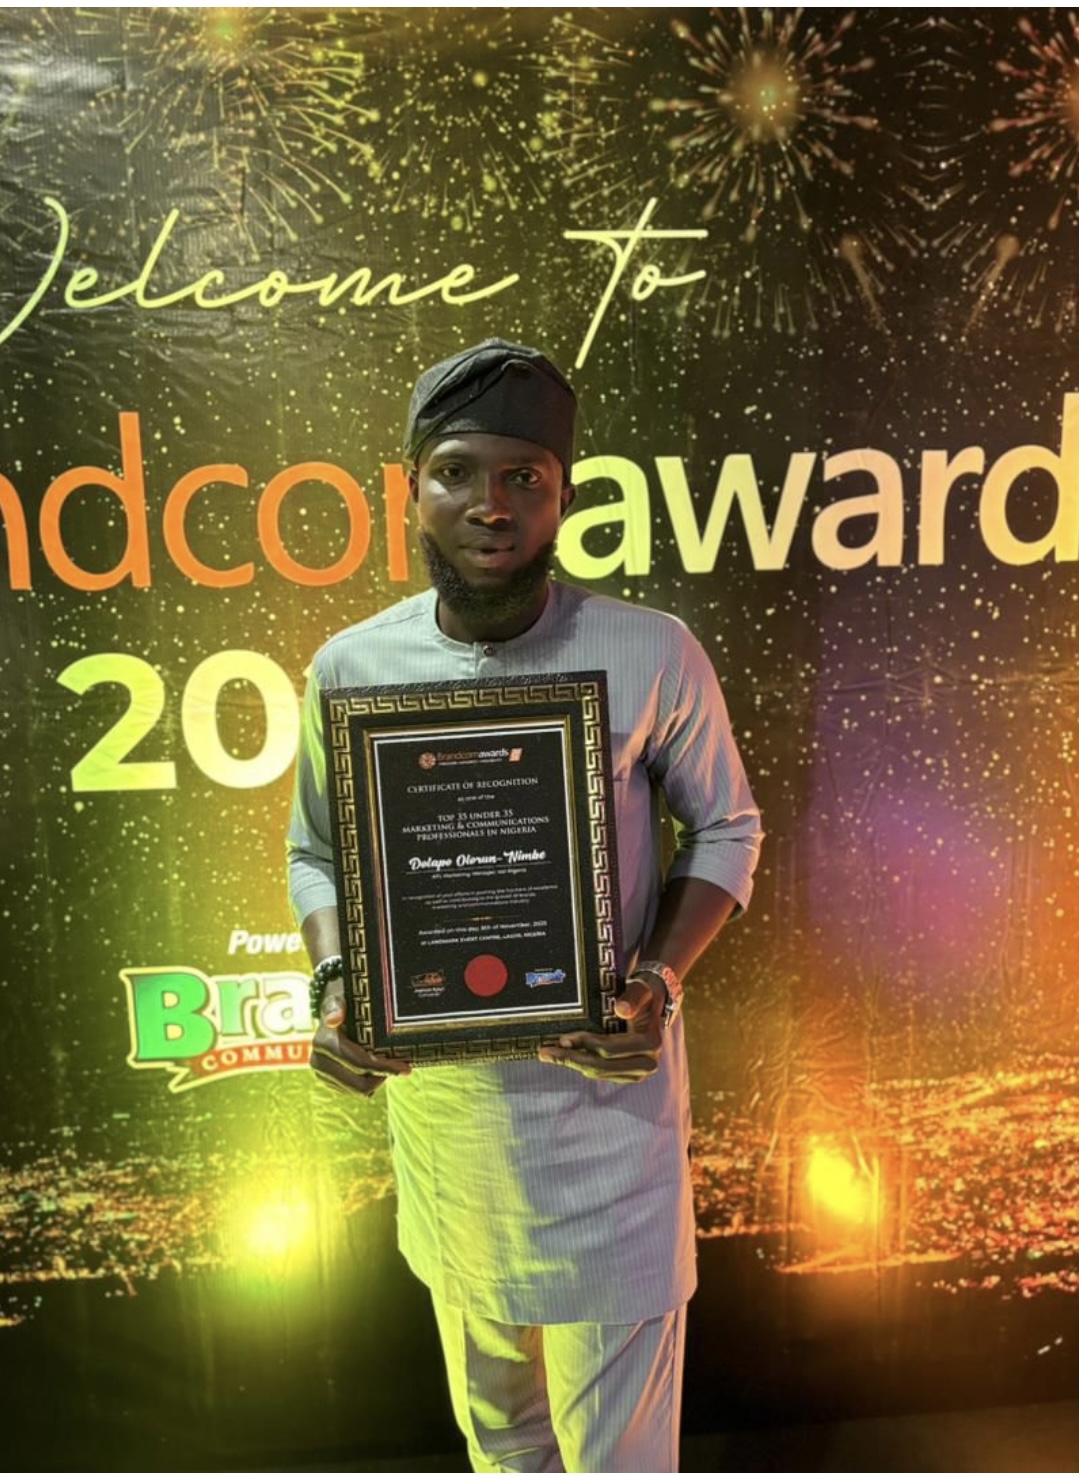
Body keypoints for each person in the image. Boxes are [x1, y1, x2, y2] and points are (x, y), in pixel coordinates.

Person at [287, 339, 762, 1473]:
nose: (489, 505)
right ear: (410, 486)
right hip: (453, 1128)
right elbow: (316, 853)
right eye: (456, 472)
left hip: (610, 1120)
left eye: (523, 478)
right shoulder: (352, 667)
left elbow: (729, 828)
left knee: (621, 1457)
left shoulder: (648, 650)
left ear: (564, 495)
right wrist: (341, 983)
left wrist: (655, 981)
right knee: (500, 1436)